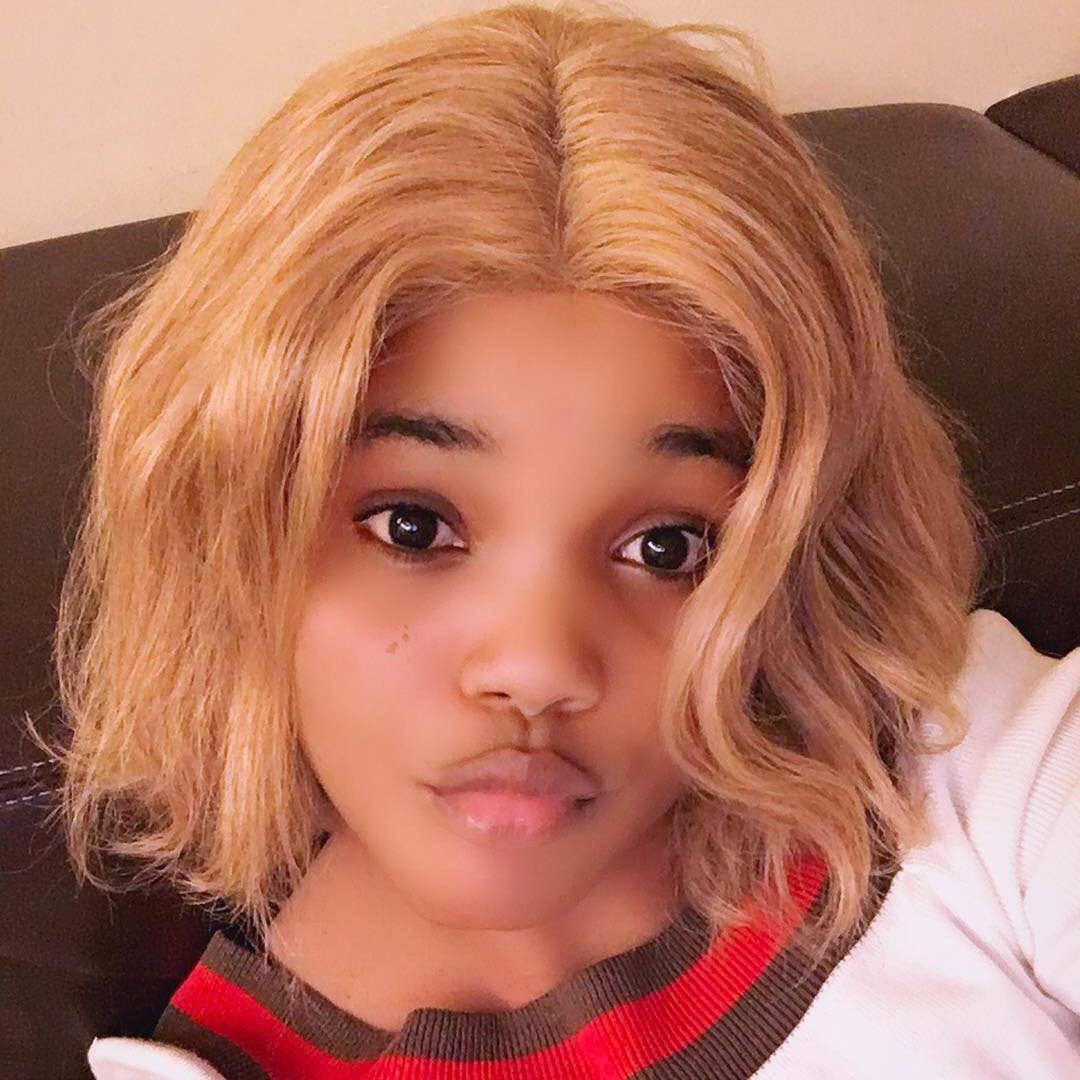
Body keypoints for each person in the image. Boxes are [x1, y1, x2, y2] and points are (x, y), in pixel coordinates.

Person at [27, 2, 1077, 1077]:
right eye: (413, 526)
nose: (536, 666)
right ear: (226, 534)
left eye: (668, 548)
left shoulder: (987, 773)